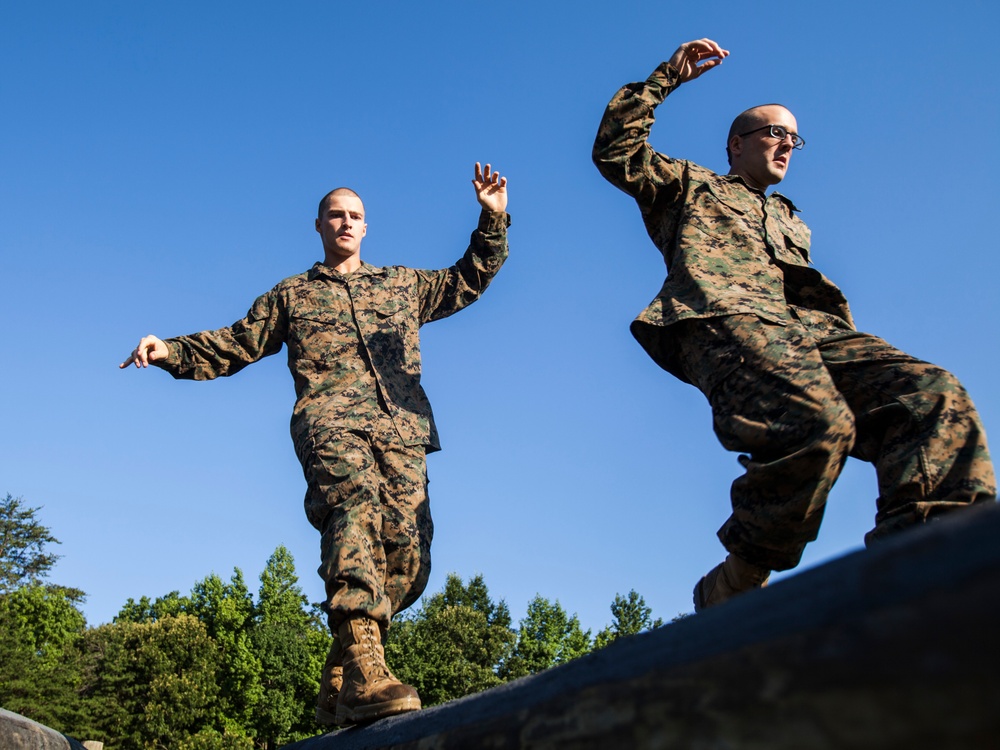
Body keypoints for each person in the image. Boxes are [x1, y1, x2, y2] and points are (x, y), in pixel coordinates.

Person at [592, 39, 995, 613]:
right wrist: (665, 78)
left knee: (930, 393)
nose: (787, 143)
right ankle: (740, 574)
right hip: (726, 320)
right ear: (735, 144)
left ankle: (933, 560)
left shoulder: (788, 217)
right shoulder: (687, 185)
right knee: (816, 423)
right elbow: (616, 149)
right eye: (773, 132)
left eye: (794, 137)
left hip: (812, 330)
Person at [120, 163, 510, 724]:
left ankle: (341, 670)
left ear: (366, 228)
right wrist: (170, 351)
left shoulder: (403, 285)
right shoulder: (293, 295)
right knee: (353, 513)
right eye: (336, 215)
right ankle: (366, 672)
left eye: (355, 216)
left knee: (408, 556)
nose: (346, 223)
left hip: (402, 430)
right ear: (320, 226)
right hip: (331, 427)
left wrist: (491, 219)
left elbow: (467, 278)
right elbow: (237, 342)